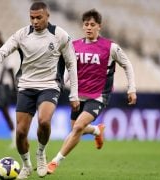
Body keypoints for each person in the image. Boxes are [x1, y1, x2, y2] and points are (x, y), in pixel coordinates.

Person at [0, 2, 79, 179]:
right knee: (20, 133)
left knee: (44, 121)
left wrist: (74, 94)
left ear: (47, 16)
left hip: (49, 85)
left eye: (39, 17)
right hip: (26, 85)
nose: (35, 21)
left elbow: (72, 64)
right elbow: (4, 50)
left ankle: (41, 153)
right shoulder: (22, 34)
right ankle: (26, 166)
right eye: (32, 18)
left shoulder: (60, 35)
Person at [47, 9, 137, 174]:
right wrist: (60, 84)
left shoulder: (111, 47)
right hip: (78, 95)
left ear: (99, 27)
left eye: (92, 24)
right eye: (86, 24)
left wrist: (131, 88)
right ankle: (97, 130)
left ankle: (55, 161)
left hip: (98, 95)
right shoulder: (74, 46)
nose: (89, 27)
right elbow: (70, 69)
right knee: (76, 127)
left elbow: (127, 65)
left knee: (78, 127)